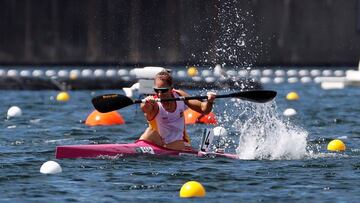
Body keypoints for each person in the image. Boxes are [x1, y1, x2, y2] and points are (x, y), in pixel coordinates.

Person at [139, 70, 216, 151]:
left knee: (177, 144)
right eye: (156, 90)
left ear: (171, 89)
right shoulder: (153, 103)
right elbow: (144, 108)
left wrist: (210, 101)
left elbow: (203, 109)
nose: (159, 94)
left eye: (163, 90)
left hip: (180, 143)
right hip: (159, 142)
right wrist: (145, 103)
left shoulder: (179, 95)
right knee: (149, 133)